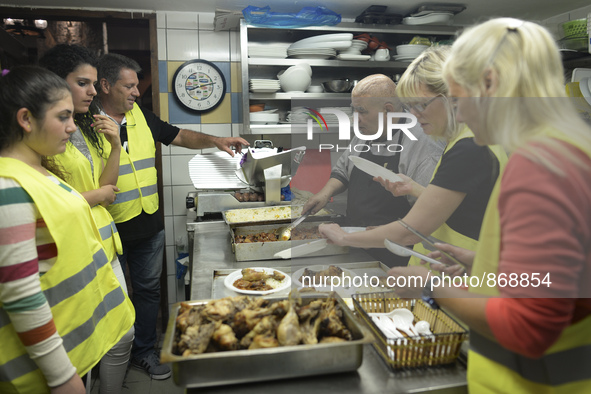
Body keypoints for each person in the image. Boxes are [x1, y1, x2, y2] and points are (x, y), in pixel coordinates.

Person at [389, 18, 591, 392]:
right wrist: (484, 267)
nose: (459, 114)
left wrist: (430, 286)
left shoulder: (541, 167)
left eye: (459, 98)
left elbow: (530, 327)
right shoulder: (565, 149)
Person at [95, 53, 249, 379]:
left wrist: (216, 141)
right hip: (107, 226)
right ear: (105, 86)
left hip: (148, 223)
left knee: (150, 291)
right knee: (112, 297)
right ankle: (109, 362)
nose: (137, 92)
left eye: (137, 86)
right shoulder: (84, 123)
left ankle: (144, 353)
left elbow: (179, 135)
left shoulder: (140, 116)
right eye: (129, 86)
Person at [0, 66, 135, 393]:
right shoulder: (9, 185)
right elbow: (21, 296)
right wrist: (61, 376)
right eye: (63, 117)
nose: (72, 126)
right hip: (44, 370)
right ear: (26, 119)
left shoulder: (38, 172)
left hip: (72, 348)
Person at [319, 46, 507, 268]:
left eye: (421, 104)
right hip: (455, 268)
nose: (414, 115)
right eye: (410, 106)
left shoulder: (469, 148)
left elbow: (410, 232)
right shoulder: (466, 140)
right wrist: (414, 188)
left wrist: (343, 237)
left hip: (466, 284)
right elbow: (463, 207)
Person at [39, 44, 134, 394]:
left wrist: (114, 146)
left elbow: (107, 185)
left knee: (122, 331)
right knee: (87, 341)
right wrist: (94, 197)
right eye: (84, 83)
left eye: (93, 83)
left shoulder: (82, 129)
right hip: (72, 249)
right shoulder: (45, 137)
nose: (94, 92)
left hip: (102, 242)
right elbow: (46, 205)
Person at [303, 74, 444, 266]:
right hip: (357, 244)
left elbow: (427, 209)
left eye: (362, 111)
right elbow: (344, 169)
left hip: (396, 251)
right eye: (354, 111)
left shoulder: (421, 141)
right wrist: (324, 194)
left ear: (388, 110)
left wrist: (381, 234)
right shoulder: (365, 133)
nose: (356, 119)